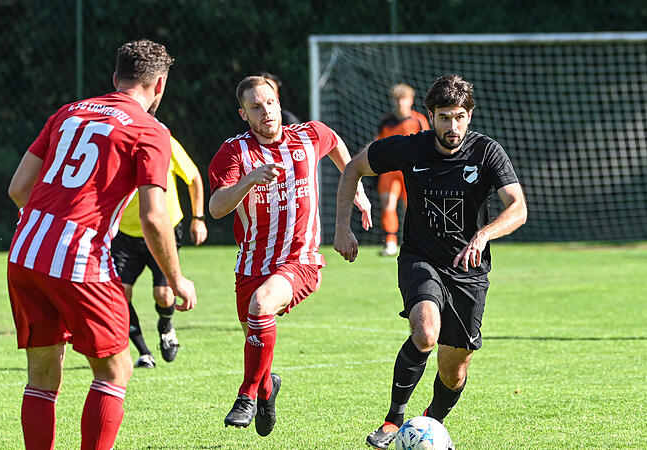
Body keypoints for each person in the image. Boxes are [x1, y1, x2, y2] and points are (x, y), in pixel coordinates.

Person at [6, 39, 197, 450]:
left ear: (115, 78)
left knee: (41, 376)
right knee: (114, 371)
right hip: (77, 258)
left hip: (24, 250)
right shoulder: (151, 130)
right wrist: (175, 277)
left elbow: (18, 188)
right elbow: (153, 217)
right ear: (159, 85)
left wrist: (50, 222)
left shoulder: (68, 112)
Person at [333, 74, 527, 449]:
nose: (451, 127)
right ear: (430, 116)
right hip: (421, 259)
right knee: (425, 332)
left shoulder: (487, 152)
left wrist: (484, 234)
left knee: (454, 370)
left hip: (468, 271)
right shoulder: (410, 148)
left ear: (469, 116)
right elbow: (353, 167)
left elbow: (518, 208)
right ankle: (394, 419)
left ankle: (431, 424)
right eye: (443, 117)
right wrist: (343, 227)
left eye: (458, 117)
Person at [208, 75, 372, 437]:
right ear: (243, 114)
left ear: (279, 103)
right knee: (256, 341)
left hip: (301, 260)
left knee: (262, 305)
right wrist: (248, 180)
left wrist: (355, 187)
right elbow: (217, 207)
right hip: (251, 264)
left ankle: (247, 395)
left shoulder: (308, 135)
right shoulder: (233, 152)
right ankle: (267, 388)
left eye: (270, 102)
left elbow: (335, 143)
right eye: (255, 106)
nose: (265, 111)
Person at [111, 134, 208, 369]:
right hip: (126, 233)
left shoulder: (163, 140)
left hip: (163, 229)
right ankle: (144, 352)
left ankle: (166, 328)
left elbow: (193, 177)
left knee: (164, 295)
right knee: (119, 295)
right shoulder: (114, 145)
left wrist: (198, 218)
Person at [374, 83, 430, 257]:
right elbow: (378, 145)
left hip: (412, 172)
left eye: (403, 99)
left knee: (413, 207)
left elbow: (427, 145)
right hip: (390, 171)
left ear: (411, 100)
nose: (400, 103)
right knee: (388, 204)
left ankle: (414, 242)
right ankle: (390, 243)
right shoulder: (386, 122)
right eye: (397, 99)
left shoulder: (419, 120)